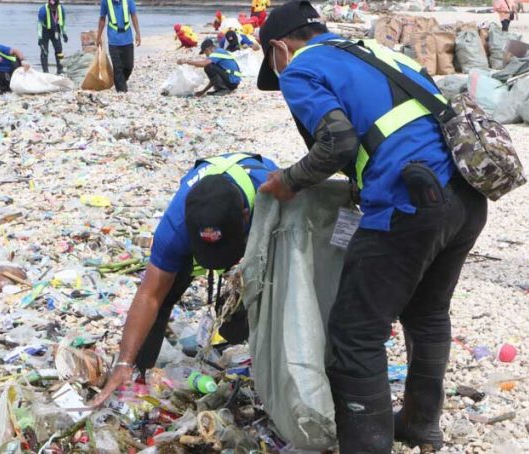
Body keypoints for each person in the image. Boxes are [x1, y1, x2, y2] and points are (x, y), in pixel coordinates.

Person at [257, 2, 487, 452]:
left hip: (410, 202)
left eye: (274, 63)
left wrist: (289, 181)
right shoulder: (378, 51)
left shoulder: (302, 68)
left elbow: (338, 142)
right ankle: (421, 422)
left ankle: (368, 443)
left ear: (279, 49)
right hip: (466, 196)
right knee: (427, 313)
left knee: (354, 331)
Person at [90, 153, 278, 406]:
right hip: (211, 228)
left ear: (246, 217)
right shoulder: (175, 227)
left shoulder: (273, 196)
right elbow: (150, 295)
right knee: (165, 295)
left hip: (258, 229)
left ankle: (252, 362)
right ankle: (137, 375)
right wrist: (124, 361)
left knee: (259, 300)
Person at [97, 0, 141, 92]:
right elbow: (102, 19)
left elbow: (134, 16)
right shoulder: (105, 2)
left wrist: (138, 34)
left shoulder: (129, 1)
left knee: (129, 67)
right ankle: (122, 91)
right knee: (118, 67)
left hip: (127, 39)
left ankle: (120, 82)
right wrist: (98, 37)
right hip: (113, 41)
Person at [177, 38, 242, 97]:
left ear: (208, 49)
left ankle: (223, 90)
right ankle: (222, 89)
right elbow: (215, 79)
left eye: (205, 52)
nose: (206, 55)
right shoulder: (220, 52)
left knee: (208, 67)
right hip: (232, 82)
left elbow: (204, 64)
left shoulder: (217, 53)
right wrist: (203, 91)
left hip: (232, 81)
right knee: (210, 67)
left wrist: (186, 61)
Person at [38, 0, 67, 74]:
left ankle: (60, 69)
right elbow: (39, 25)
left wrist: (64, 33)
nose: (53, 8)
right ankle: (45, 71)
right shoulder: (43, 10)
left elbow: (63, 22)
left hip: (55, 30)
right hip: (45, 31)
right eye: (51, 7)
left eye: (54, 7)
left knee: (59, 50)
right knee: (44, 51)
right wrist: (40, 37)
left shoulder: (61, 9)